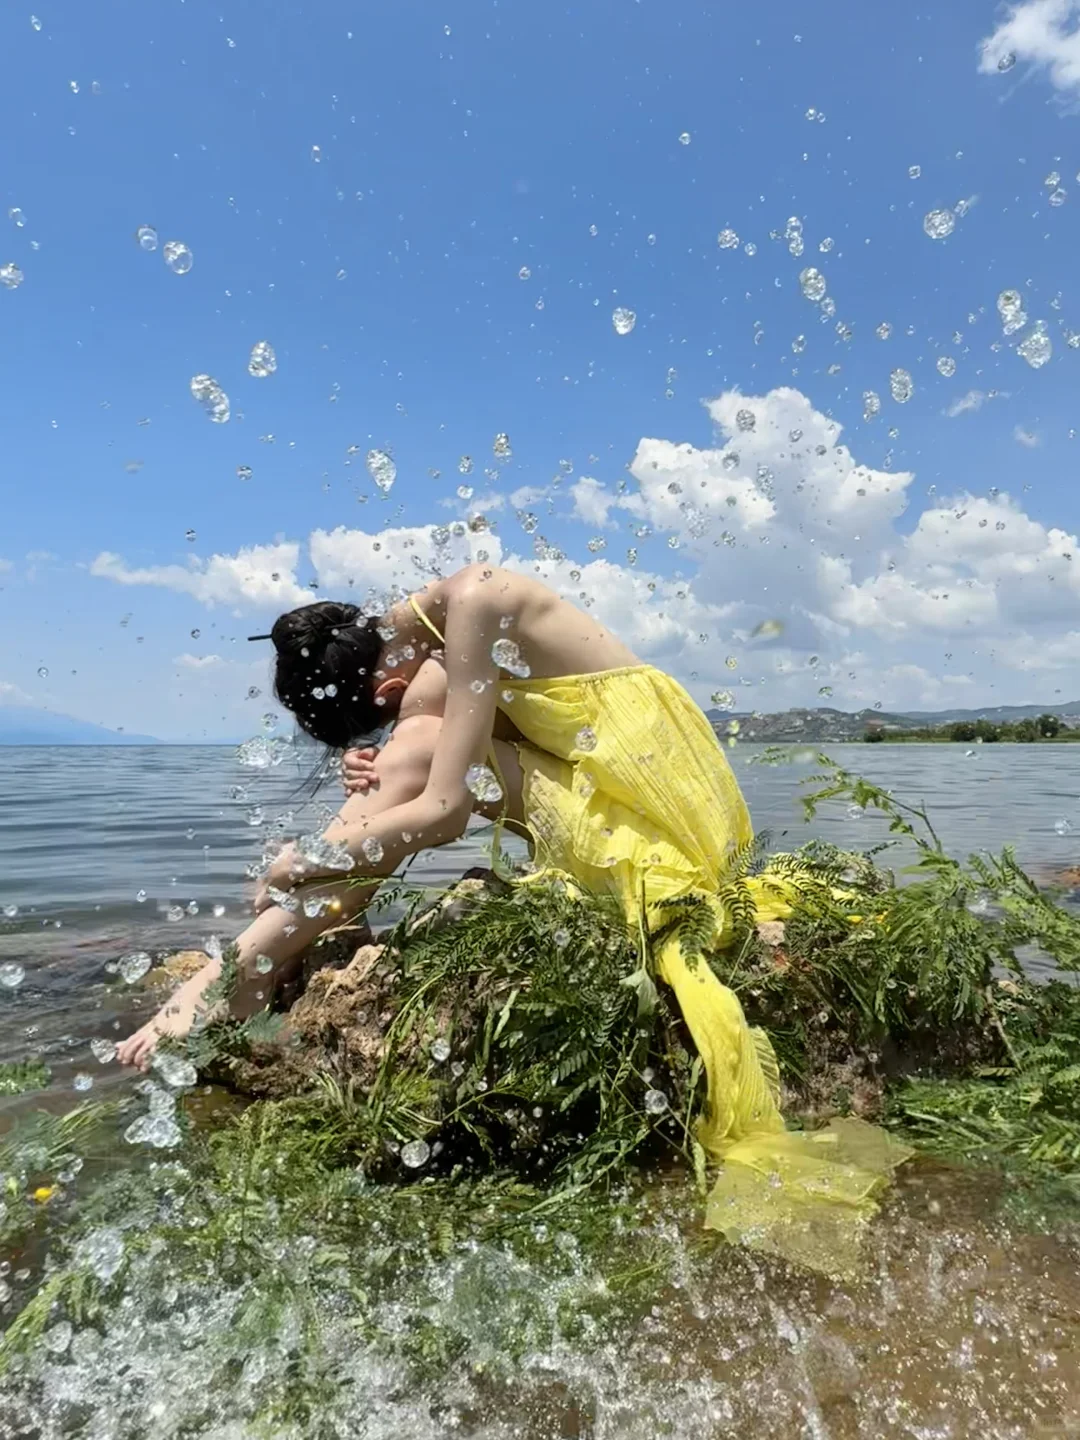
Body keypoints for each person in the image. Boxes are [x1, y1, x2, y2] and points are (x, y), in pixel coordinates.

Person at [116, 564, 907, 1269]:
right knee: (410, 755)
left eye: (374, 716)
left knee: (415, 759)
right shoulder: (432, 638)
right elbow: (430, 772)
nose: (390, 718)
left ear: (378, 685)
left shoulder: (475, 604)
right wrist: (373, 772)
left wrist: (310, 861)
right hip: (616, 798)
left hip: (660, 826)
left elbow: (447, 807)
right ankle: (256, 956)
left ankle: (244, 968)